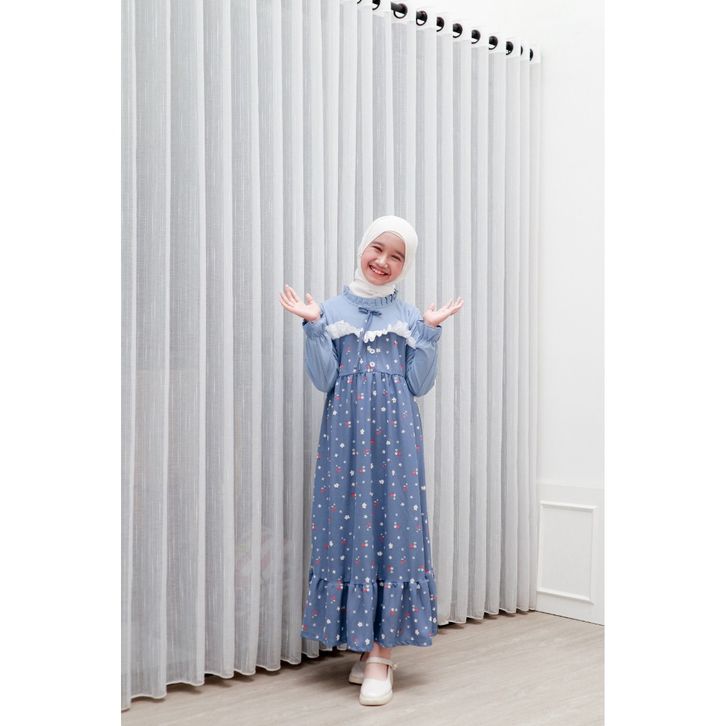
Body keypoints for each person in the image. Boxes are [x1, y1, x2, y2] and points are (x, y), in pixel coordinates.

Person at [279, 215, 463, 706]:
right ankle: (365, 647)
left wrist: (429, 332)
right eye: (377, 249)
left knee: (394, 528)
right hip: (344, 438)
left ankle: (382, 655)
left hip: (397, 437)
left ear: (406, 264)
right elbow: (324, 379)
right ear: (363, 248)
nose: (383, 261)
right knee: (354, 528)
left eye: (397, 256)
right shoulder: (331, 310)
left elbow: (418, 384)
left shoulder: (408, 316)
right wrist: (313, 326)